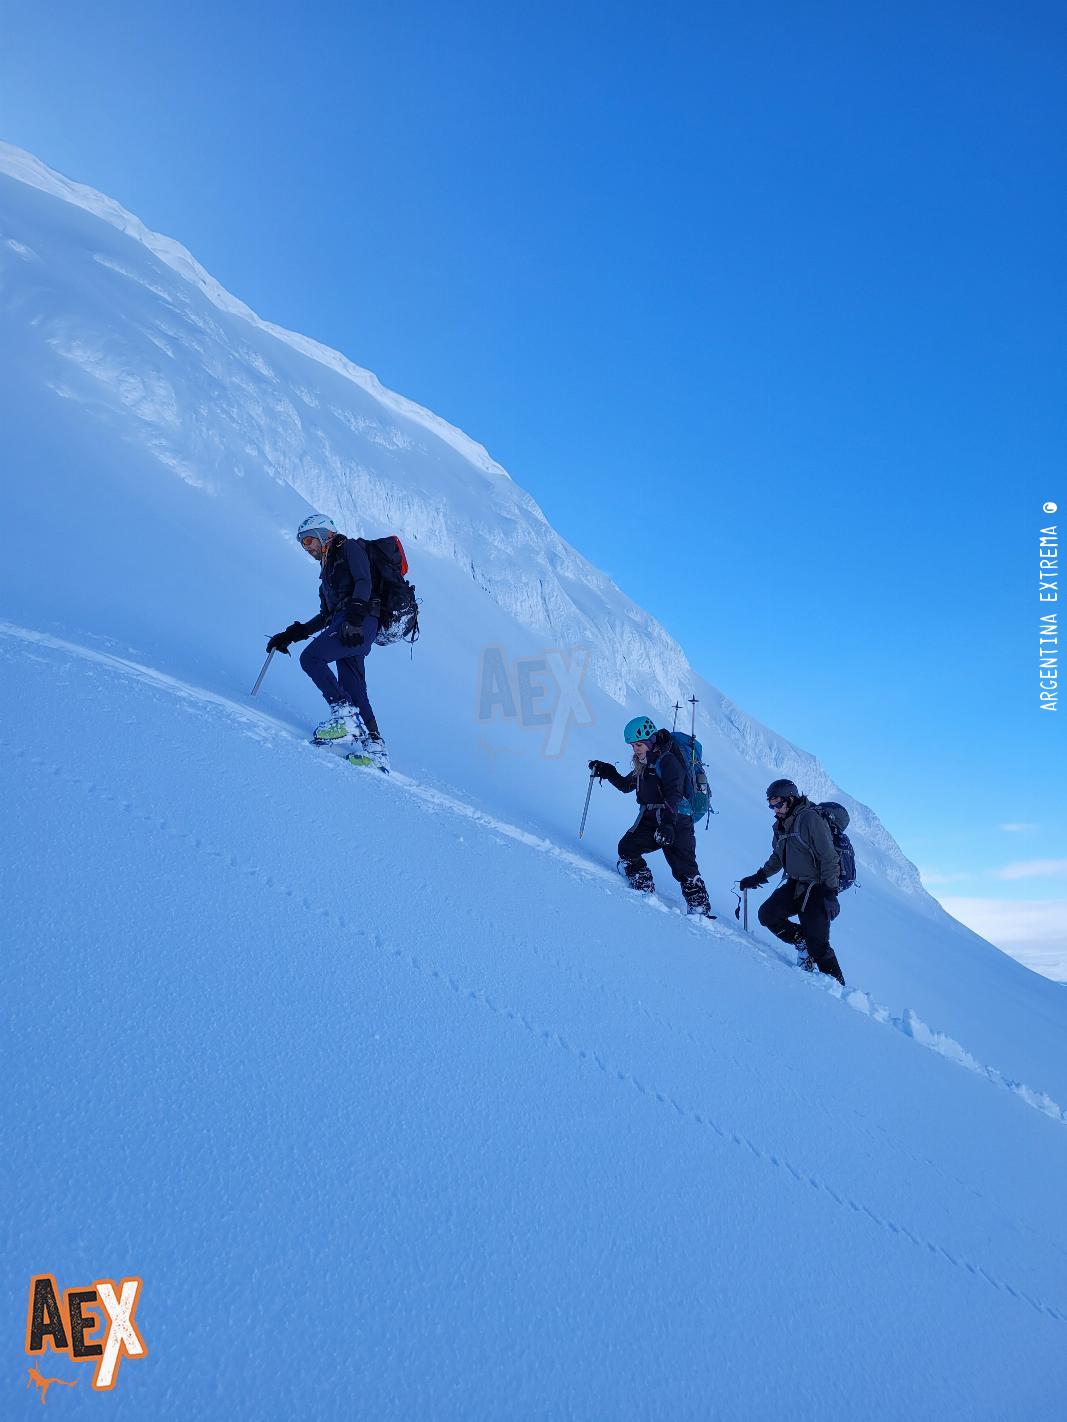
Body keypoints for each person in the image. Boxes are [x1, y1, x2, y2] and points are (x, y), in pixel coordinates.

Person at [266, 514, 389, 772]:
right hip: (346, 623)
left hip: (360, 621)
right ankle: (376, 749)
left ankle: (345, 718)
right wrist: (292, 634)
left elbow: (364, 581)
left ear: (325, 535)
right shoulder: (327, 573)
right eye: (302, 543)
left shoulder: (349, 548)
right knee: (353, 684)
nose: (306, 546)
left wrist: (355, 618)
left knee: (311, 658)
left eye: (309, 539)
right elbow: (326, 616)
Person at [589, 716, 714, 918]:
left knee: (685, 868)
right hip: (650, 817)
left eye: (639, 744)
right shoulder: (644, 763)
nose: (635, 749)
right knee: (627, 849)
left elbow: (674, 793)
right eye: (633, 745)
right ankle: (643, 887)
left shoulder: (668, 761)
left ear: (651, 740)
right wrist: (607, 770)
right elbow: (625, 785)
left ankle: (700, 912)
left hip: (677, 819)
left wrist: (667, 824)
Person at [739, 779, 845, 983]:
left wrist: (830, 893)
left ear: (791, 799)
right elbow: (778, 857)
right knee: (767, 915)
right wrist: (758, 877)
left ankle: (842, 994)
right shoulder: (780, 826)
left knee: (819, 946)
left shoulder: (810, 819)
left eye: (778, 804)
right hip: (795, 885)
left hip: (818, 888)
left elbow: (829, 857)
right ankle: (801, 941)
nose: (774, 809)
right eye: (771, 805)